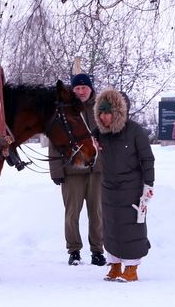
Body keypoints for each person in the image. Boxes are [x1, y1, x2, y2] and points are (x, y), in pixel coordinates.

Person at [93, 88, 155, 282]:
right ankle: (115, 266)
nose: (104, 117)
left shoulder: (135, 131)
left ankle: (131, 269)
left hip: (132, 188)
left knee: (132, 227)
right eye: (101, 113)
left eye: (108, 112)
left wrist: (148, 185)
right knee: (111, 227)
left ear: (118, 112)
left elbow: (147, 159)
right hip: (108, 188)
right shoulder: (99, 135)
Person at [49, 73, 105, 266]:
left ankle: (97, 251)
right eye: (77, 88)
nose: (81, 91)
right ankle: (74, 251)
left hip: (97, 171)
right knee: (72, 214)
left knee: (96, 213)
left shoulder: (100, 109)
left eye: (84, 88)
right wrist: (56, 171)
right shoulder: (65, 110)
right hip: (72, 171)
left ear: (91, 89)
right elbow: (54, 142)